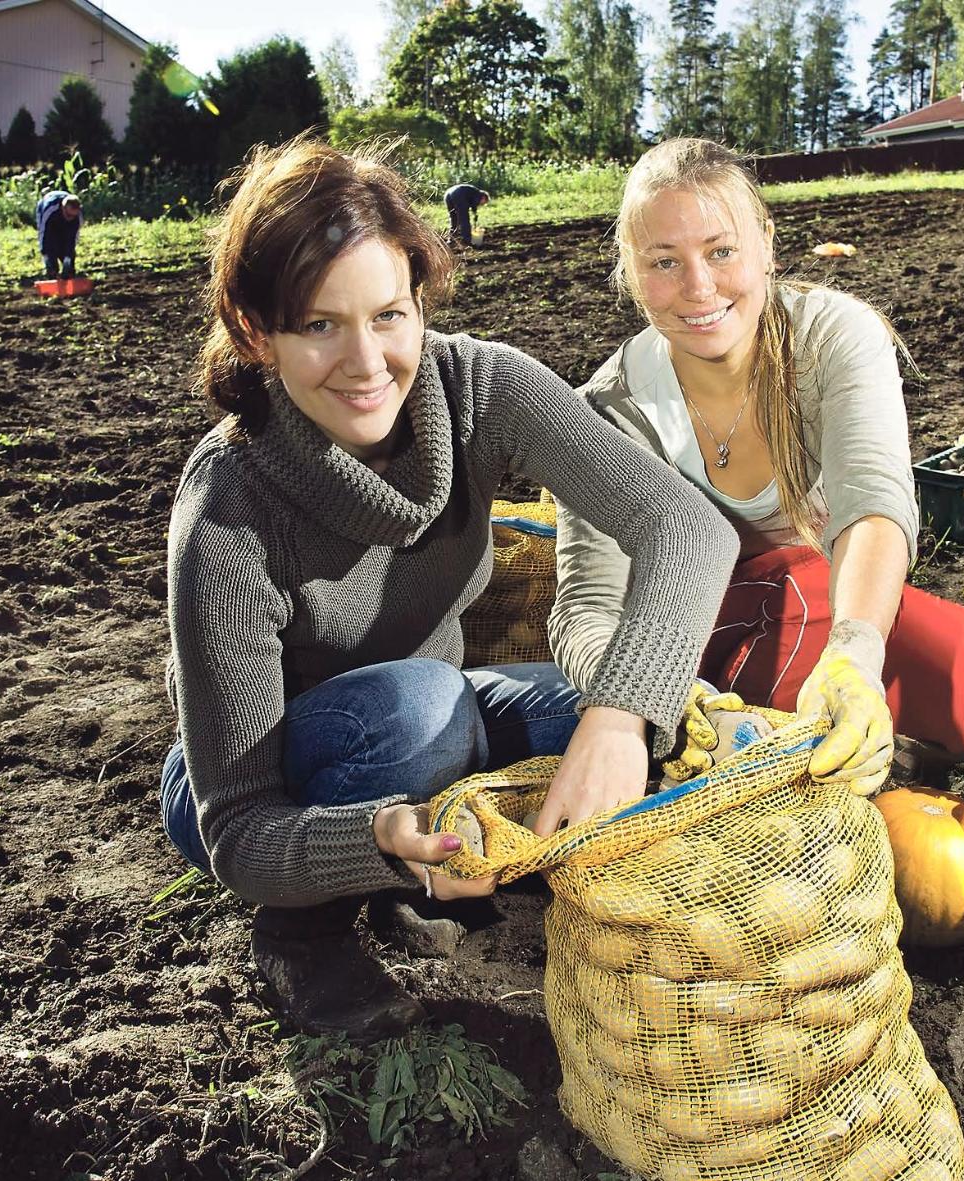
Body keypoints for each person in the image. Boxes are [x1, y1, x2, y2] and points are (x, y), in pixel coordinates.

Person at [158, 137, 738, 1042]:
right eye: (319, 325)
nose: (366, 360)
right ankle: (301, 937)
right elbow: (237, 827)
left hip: (443, 712)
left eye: (390, 314)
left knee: (625, 715)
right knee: (422, 709)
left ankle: (429, 865)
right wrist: (377, 837)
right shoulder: (229, 507)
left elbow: (688, 528)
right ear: (256, 333)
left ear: (421, 298)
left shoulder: (479, 387)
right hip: (254, 785)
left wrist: (621, 717)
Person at [549, 137, 964, 798]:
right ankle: (767, 726)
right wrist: (639, 697)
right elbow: (589, 606)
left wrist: (856, 654)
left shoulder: (833, 337)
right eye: (664, 261)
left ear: (767, 245)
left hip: (829, 606)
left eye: (722, 251)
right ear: (631, 270)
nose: (699, 287)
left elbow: (873, 503)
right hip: (683, 635)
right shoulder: (606, 409)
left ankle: (807, 715)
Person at [35, 191, 82, 277]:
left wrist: (67, 259)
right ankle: (52, 273)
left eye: (73, 216)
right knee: (51, 252)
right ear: (63, 208)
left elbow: (73, 238)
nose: (70, 218)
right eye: (68, 215)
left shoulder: (77, 216)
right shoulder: (50, 211)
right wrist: (45, 255)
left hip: (64, 226)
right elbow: (43, 233)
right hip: (48, 219)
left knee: (70, 267)